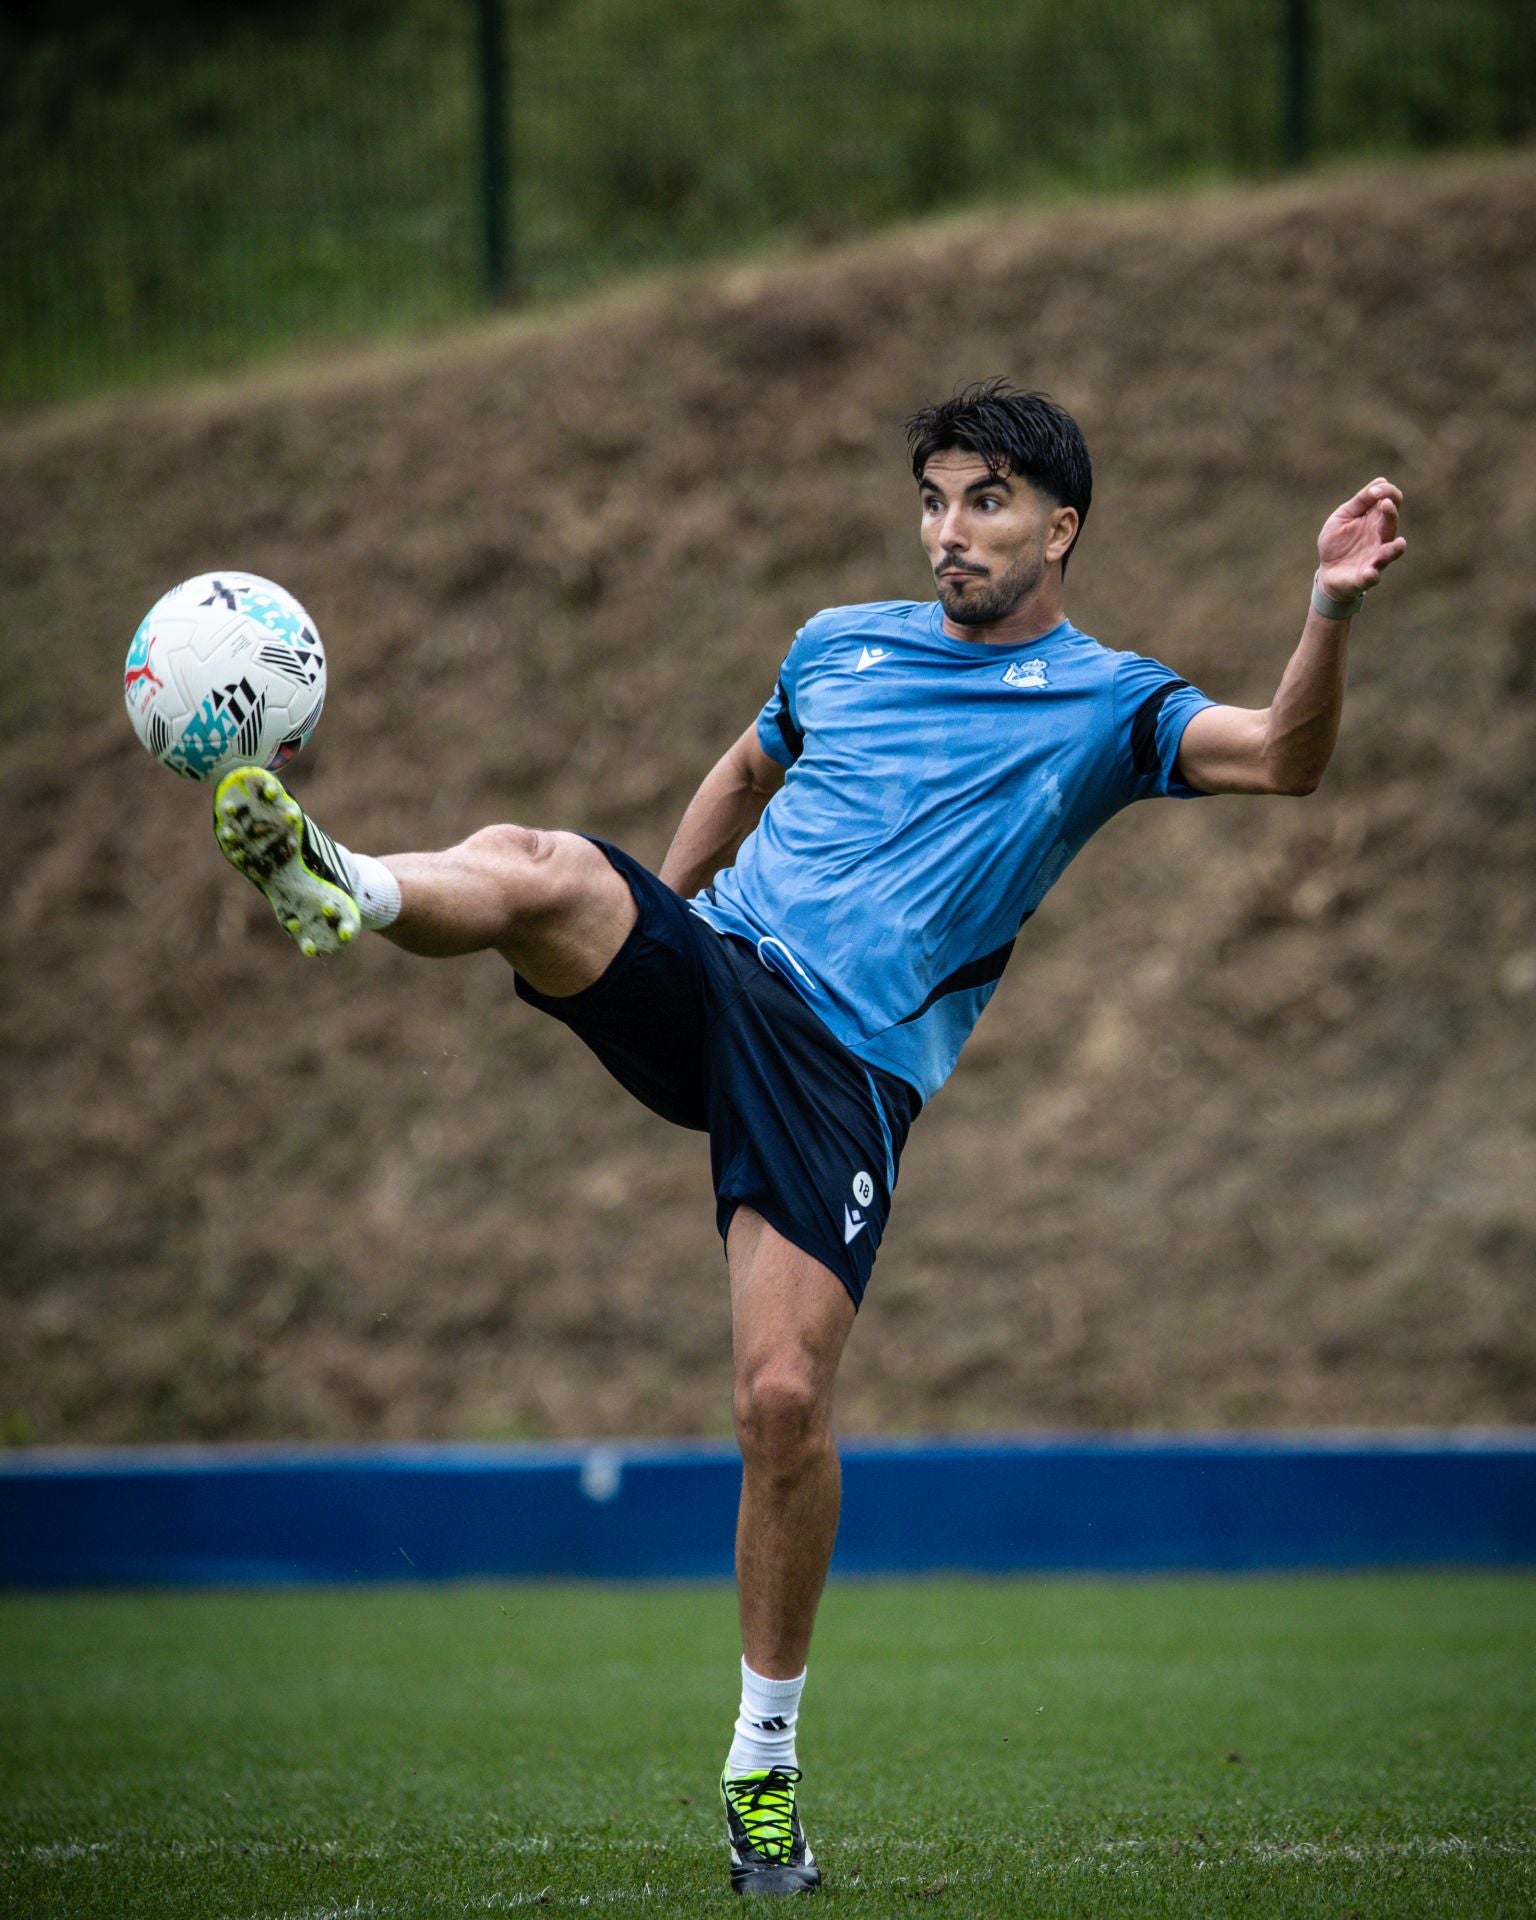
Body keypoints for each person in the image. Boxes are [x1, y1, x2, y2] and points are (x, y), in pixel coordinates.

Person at [212, 379, 1406, 1897]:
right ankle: (346, 883)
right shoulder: (836, 644)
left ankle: (761, 1771)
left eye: (985, 501)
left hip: (844, 1072)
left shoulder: (1119, 704)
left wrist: (1329, 608)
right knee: (550, 863)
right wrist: (671, 914)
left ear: (1063, 528)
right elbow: (744, 768)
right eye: (932, 498)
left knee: (780, 1404)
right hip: (723, 974)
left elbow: (1287, 757)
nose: (948, 532)